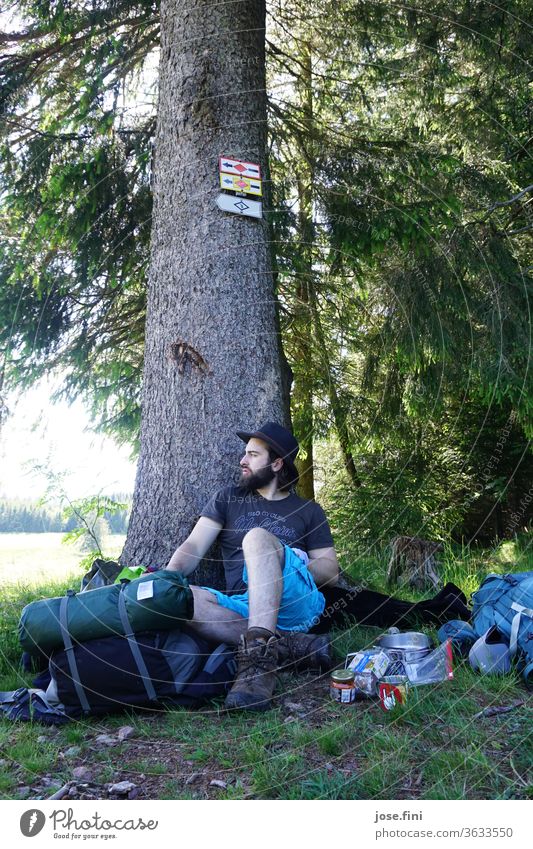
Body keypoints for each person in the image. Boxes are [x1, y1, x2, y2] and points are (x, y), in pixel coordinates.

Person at [165, 421, 339, 711]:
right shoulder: (227, 498)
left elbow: (331, 572)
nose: (242, 461)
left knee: (257, 537)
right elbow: (194, 547)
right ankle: (294, 647)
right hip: (241, 605)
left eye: (253, 455)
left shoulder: (308, 510)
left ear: (276, 464)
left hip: (295, 601)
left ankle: (257, 668)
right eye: (245, 454)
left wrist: (286, 562)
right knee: (180, 600)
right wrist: (167, 578)